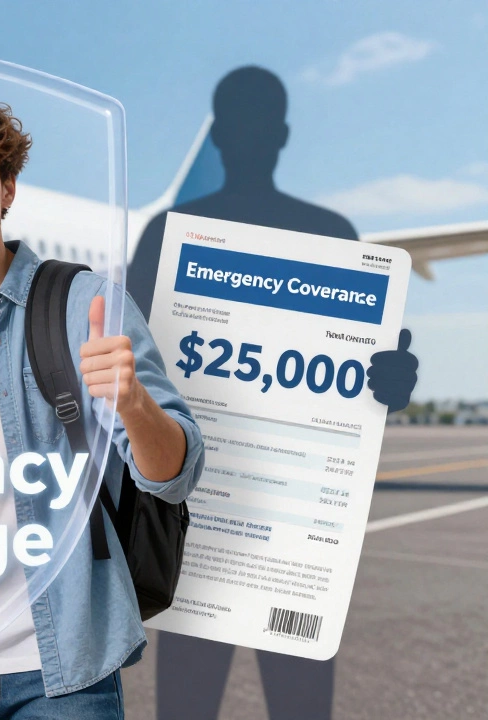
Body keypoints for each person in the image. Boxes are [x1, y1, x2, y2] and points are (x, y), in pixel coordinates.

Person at [0, 84, 206, 719]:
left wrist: (133, 403)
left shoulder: (83, 306)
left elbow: (176, 476)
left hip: (59, 673)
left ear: (7, 188)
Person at [129, 66, 419, 720]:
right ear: (227, 135)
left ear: (280, 136)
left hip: (293, 547)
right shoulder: (169, 236)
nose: (252, 136)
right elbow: (136, 378)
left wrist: (390, 382)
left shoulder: (332, 237)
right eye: (242, 124)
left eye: (259, 125)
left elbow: (369, 392)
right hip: (199, 536)